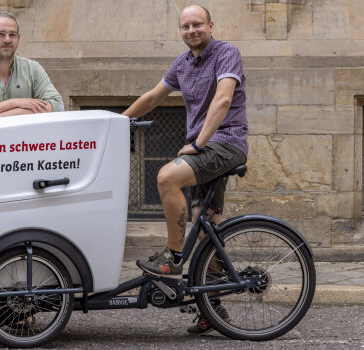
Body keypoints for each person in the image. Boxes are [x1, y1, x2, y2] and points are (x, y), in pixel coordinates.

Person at [122, 5, 248, 334]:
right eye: (185, 26)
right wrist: (119, 122)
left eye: (197, 25)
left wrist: (198, 143)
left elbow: (222, 101)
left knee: (167, 176)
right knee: (207, 229)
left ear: (210, 25)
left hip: (224, 144)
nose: (191, 30)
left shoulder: (226, 53)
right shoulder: (183, 62)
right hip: (205, 148)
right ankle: (213, 309)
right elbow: (153, 96)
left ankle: (174, 257)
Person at [0, 11, 64, 121]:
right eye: (1, 34)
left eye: (12, 35)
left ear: (18, 38)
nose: (7, 40)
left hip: (26, 138)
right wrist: (14, 102)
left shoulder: (33, 69)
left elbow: (57, 106)